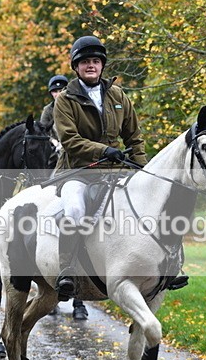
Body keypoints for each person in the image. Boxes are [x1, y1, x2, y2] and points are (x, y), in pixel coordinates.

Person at [52, 36, 148, 301]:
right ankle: (66, 270)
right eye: (85, 62)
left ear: (102, 65)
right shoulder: (65, 99)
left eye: (95, 61)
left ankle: (159, 268)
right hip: (78, 171)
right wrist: (103, 150)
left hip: (116, 170)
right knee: (74, 208)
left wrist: (142, 170)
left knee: (147, 204)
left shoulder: (118, 95)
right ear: (76, 67)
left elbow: (134, 137)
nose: (91, 66)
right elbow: (70, 141)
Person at [41, 74, 88, 319]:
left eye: (61, 89)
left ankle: (81, 299)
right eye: (54, 91)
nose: (58, 93)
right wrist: (55, 143)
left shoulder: (78, 104)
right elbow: (43, 131)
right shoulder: (48, 110)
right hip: (59, 156)